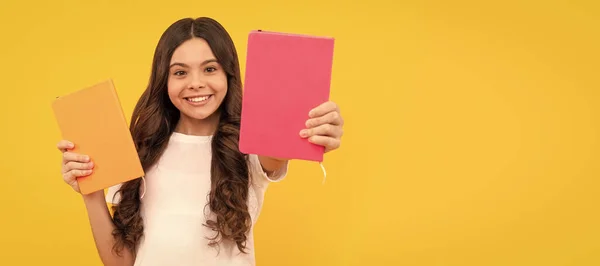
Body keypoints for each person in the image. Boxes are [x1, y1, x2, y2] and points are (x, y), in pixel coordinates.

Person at [55, 17, 344, 266]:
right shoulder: (137, 150)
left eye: (210, 69)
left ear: (228, 75)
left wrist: (316, 126)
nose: (196, 83)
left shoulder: (249, 146)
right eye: (180, 72)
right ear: (163, 80)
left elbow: (281, 144)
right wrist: (90, 192)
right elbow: (121, 261)